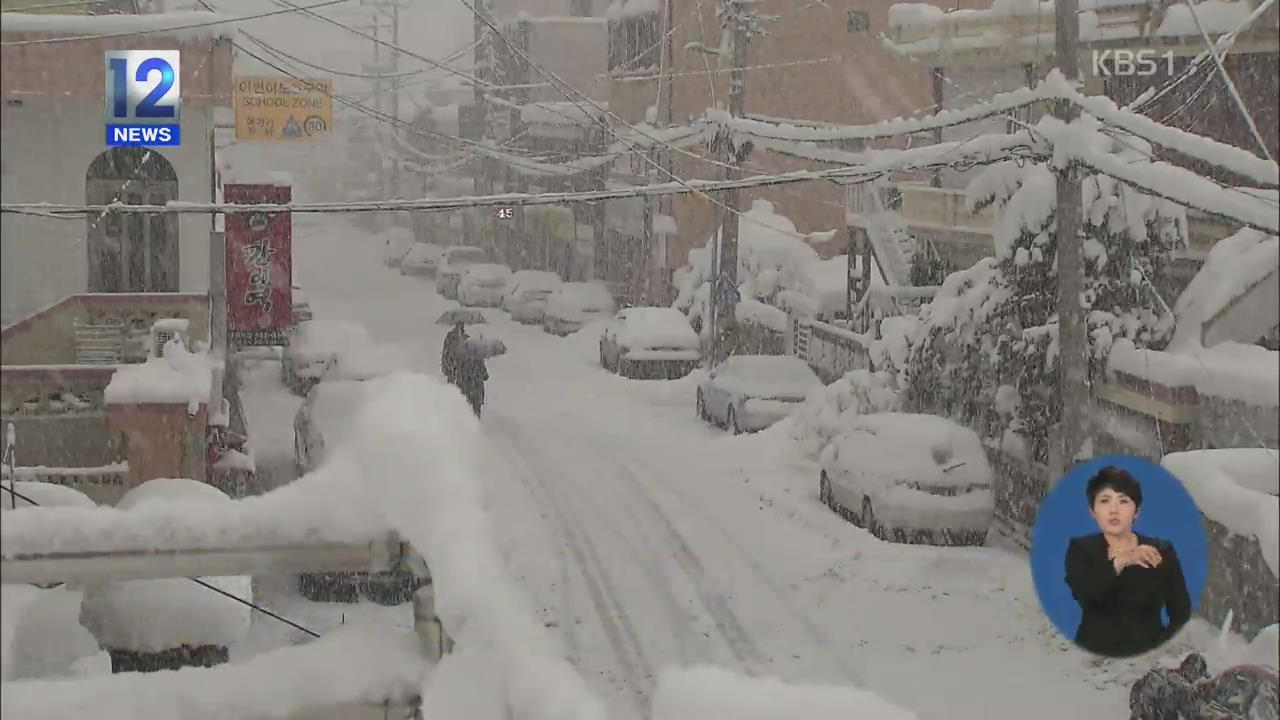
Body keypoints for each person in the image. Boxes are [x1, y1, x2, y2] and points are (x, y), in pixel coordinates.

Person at [1064, 466, 1193, 658]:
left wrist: (1159, 650)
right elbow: (1086, 592)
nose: (1114, 510)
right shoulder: (1081, 549)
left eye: (1123, 501)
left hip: (1147, 659)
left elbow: (1181, 614)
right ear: (1093, 511)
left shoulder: (1160, 551)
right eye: (1105, 501)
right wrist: (1123, 559)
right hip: (1092, 659)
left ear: (1136, 511)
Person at [455, 343, 488, 417]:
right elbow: (485, 376)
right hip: (476, 391)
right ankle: (475, 426)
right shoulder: (479, 361)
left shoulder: (463, 362)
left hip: (466, 391)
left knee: (466, 412)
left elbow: (459, 376)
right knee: (476, 413)